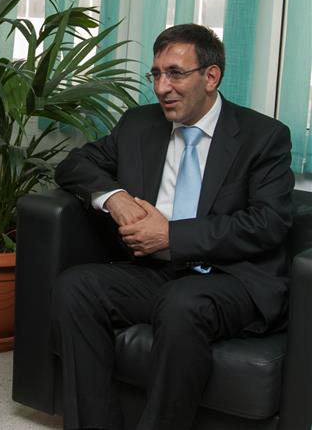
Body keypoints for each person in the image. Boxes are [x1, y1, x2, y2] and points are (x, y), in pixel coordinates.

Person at [51, 24, 294, 430]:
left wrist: (171, 236)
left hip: (231, 277)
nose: (162, 87)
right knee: (75, 287)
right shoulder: (138, 124)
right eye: (157, 74)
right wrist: (116, 198)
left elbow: (268, 224)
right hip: (157, 272)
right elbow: (74, 165)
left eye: (175, 74)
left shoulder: (263, 136)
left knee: (182, 303)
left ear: (211, 76)